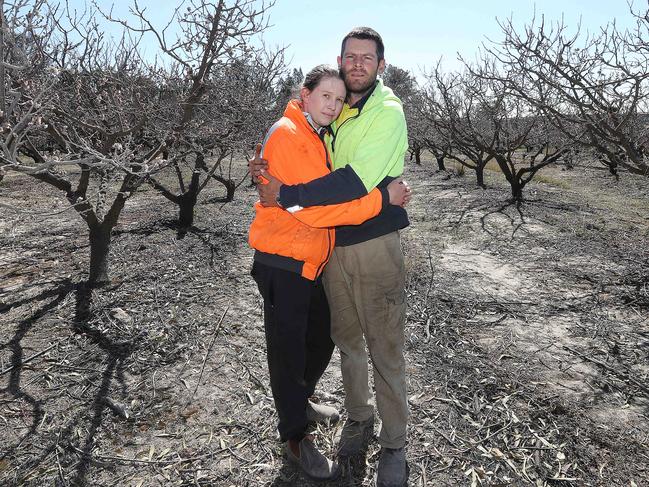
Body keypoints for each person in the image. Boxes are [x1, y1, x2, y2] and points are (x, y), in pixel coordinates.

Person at [251, 27, 411, 487]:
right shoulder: (321, 122)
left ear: (381, 65)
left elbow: (351, 184)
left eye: (366, 58)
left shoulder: (384, 112)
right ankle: (345, 422)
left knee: (380, 343)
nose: (357, 64)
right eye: (349, 57)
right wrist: (274, 183)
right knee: (342, 340)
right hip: (318, 251)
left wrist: (286, 194)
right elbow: (316, 194)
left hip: (370, 245)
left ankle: (394, 442)